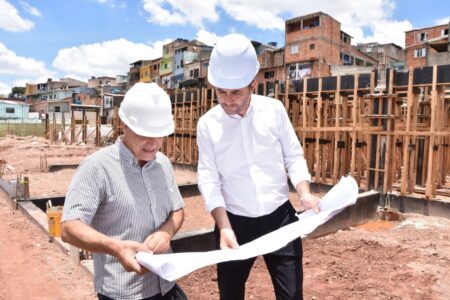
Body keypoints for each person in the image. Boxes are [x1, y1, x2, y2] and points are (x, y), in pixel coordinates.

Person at [197, 33, 321, 300]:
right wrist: (224, 226)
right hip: (233, 224)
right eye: (221, 92)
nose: (228, 100)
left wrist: (305, 193)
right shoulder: (207, 125)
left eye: (236, 92)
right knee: (230, 295)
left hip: (280, 219)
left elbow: (293, 156)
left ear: (253, 83)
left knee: (291, 296)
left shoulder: (274, 110)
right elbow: (208, 179)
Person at [61, 82, 187, 300]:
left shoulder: (163, 164)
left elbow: (178, 211)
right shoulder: (97, 167)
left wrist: (166, 232)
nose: (154, 144)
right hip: (124, 293)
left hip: (166, 285)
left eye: (160, 135)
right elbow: (69, 227)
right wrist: (115, 247)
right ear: (125, 125)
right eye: (145, 134)